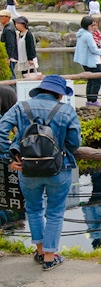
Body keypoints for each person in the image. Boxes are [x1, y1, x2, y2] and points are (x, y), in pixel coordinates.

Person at [0, 75, 81, 271]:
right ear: (59, 95)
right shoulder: (67, 111)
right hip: (58, 170)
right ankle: (50, 257)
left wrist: (9, 158)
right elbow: (75, 143)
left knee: (34, 209)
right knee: (54, 212)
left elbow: (1, 130)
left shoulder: (21, 107)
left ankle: (39, 251)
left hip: (27, 169)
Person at [73, 16, 101, 106]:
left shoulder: (81, 34)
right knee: (97, 80)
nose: (93, 27)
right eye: (92, 25)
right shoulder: (88, 35)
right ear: (88, 26)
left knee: (90, 80)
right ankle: (93, 100)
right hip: (93, 61)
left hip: (85, 62)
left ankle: (89, 99)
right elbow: (93, 49)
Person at [0, 9, 18, 79]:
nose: (0, 18)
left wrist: (8, 58)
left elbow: (11, 44)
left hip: (10, 57)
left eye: (2, 16)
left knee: (10, 76)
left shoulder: (8, 29)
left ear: (8, 18)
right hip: (9, 57)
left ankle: (14, 90)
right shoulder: (7, 28)